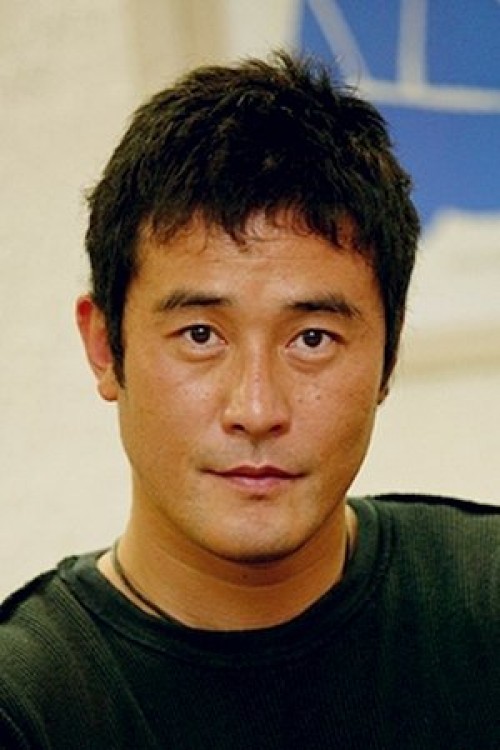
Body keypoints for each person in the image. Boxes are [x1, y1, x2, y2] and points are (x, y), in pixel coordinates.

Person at [0, 50, 498, 750]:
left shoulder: (483, 601)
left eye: (313, 339)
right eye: (200, 335)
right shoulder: (29, 707)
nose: (257, 409)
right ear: (106, 347)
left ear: (389, 353)